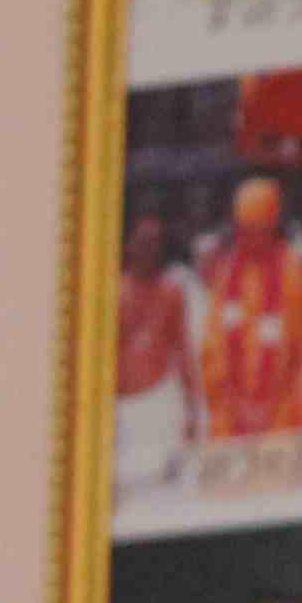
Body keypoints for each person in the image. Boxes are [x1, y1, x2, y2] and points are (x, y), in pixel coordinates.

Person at [195, 174, 302, 443]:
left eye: (258, 229)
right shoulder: (226, 274)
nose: (250, 237)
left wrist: (267, 406)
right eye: (245, 229)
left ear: (273, 226)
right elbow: (213, 347)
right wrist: (238, 403)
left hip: (280, 410)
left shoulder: (294, 274)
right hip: (231, 411)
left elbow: (300, 350)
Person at [112, 213, 195, 508]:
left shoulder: (172, 293)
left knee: (166, 492)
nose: (150, 249)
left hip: (161, 402)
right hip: (123, 408)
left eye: (156, 243)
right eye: (144, 242)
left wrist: (192, 409)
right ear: (129, 245)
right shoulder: (113, 293)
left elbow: (183, 351)